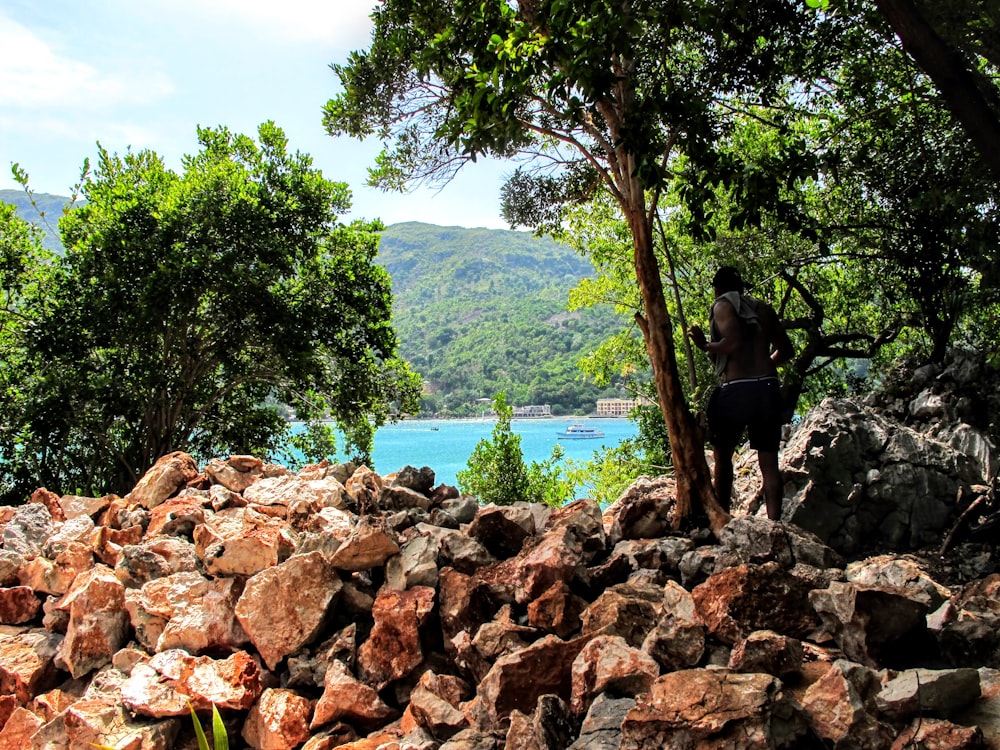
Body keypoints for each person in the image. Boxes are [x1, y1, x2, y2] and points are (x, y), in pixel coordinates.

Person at [688, 266, 795, 521]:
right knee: (769, 463)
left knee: (723, 456)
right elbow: (786, 351)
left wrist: (704, 345)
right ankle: (774, 524)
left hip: (738, 388)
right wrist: (765, 364)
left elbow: (732, 343)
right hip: (767, 387)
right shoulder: (764, 310)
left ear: (717, 288)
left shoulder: (723, 306)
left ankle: (722, 518)